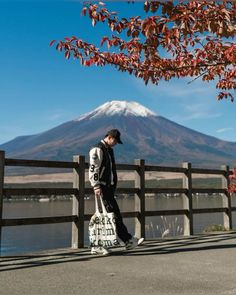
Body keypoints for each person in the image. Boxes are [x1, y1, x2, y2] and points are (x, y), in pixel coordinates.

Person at [89, 128, 144, 255]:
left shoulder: (108, 150)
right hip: (101, 188)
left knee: (111, 215)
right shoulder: (97, 149)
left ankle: (125, 241)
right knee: (108, 216)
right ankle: (125, 241)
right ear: (110, 137)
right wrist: (96, 185)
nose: (116, 144)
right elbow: (93, 169)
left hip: (107, 188)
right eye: (115, 141)